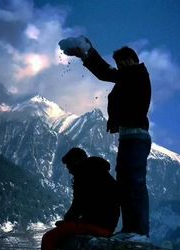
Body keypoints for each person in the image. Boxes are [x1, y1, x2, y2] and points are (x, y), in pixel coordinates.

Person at [59, 36, 152, 238]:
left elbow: (105, 73)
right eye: (118, 64)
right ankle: (131, 229)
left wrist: (88, 52)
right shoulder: (130, 78)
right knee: (126, 183)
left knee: (134, 183)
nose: (119, 67)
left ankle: (139, 231)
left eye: (121, 63)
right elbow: (106, 73)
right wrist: (85, 54)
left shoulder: (135, 74)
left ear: (130, 60)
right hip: (129, 137)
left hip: (136, 137)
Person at [27, 147, 120, 250]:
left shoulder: (84, 174)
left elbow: (78, 206)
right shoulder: (102, 173)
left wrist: (67, 221)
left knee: (49, 238)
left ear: (76, 162)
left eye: (70, 166)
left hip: (95, 226)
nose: (69, 170)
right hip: (107, 226)